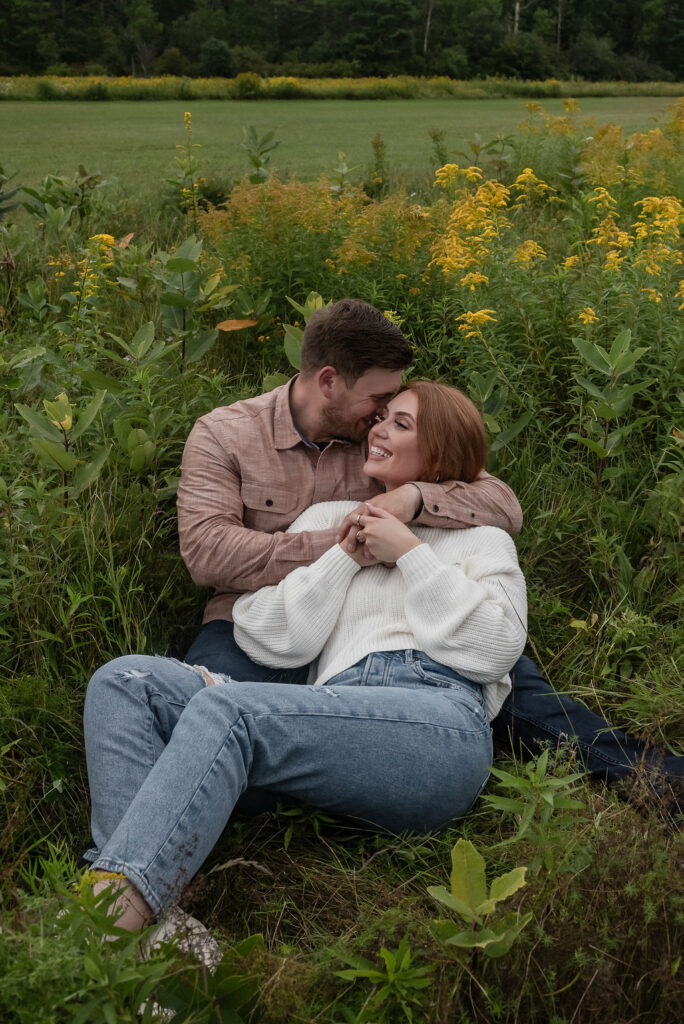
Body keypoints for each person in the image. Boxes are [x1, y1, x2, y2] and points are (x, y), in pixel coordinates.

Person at [177, 298, 684, 812]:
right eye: (377, 397)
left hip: (393, 617)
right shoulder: (226, 435)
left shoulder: (380, 436)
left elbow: (501, 503)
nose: (382, 412)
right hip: (263, 619)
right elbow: (209, 553)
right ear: (329, 381)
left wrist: (416, 498)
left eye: (393, 402)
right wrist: (351, 541)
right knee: (195, 727)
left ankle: (661, 783)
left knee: (517, 691)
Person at [81, 381, 526, 945]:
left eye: (401, 423)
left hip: (436, 720)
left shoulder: (482, 538)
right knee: (124, 681)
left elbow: (495, 647)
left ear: (439, 452)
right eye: (381, 415)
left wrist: (411, 555)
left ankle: (100, 934)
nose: (379, 428)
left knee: (230, 711)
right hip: (334, 709)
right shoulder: (333, 515)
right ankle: (145, 918)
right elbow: (272, 638)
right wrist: (342, 558)